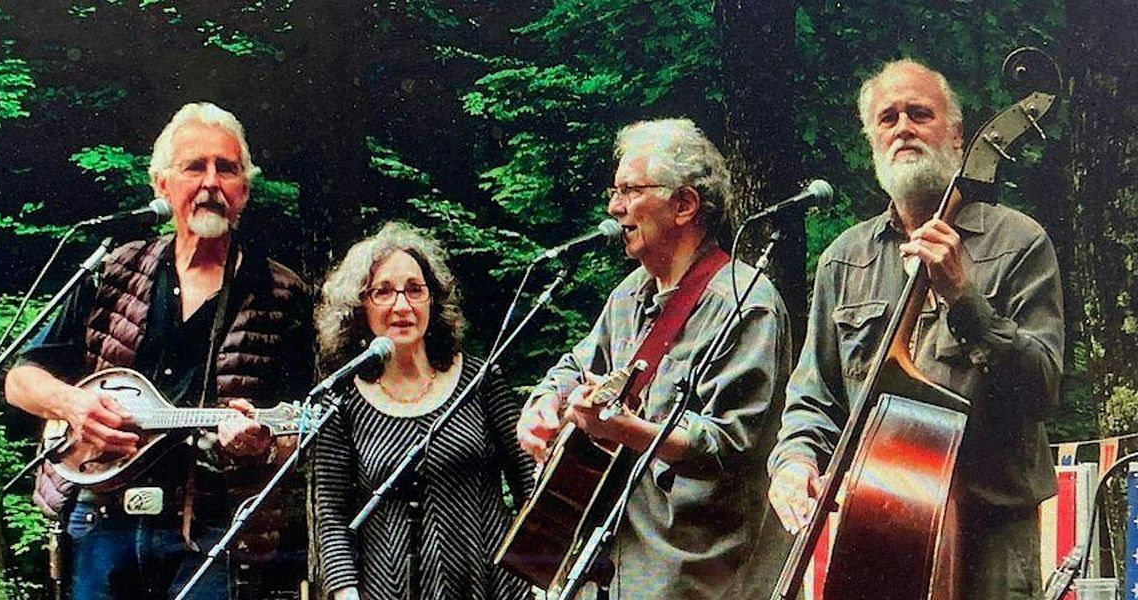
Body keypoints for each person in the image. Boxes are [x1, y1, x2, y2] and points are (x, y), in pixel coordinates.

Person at [767, 59, 1064, 598]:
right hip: (880, 526)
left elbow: (1042, 388)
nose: (902, 126)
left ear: (955, 133)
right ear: (872, 141)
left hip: (991, 538)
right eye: (887, 118)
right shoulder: (844, 260)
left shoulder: (1019, 241)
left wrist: (964, 297)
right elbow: (814, 396)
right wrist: (793, 461)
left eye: (919, 113)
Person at [4, 102, 314, 599]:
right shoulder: (112, 270)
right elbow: (20, 380)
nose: (211, 182)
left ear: (244, 192)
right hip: (100, 518)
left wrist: (263, 443)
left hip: (215, 532)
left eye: (227, 168)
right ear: (161, 186)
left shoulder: (282, 293)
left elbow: (305, 426)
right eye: (195, 166)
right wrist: (73, 405)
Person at [516, 118, 792, 599]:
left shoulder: (748, 303)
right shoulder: (628, 295)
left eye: (629, 190)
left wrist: (621, 429)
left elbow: (729, 443)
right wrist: (544, 403)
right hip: (605, 562)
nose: (613, 206)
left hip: (693, 574)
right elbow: (575, 365)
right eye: (614, 190)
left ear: (684, 205)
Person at [313, 222, 534, 600]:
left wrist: (539, 572)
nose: (402, 306)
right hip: (388, 591)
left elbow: (529, 479)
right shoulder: (341, 402)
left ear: (433, 299)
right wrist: (347, 595)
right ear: (359, 306)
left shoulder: (480, 380)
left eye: (415, 290)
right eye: (383, 292)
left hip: (494, 587)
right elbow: (331, 517)